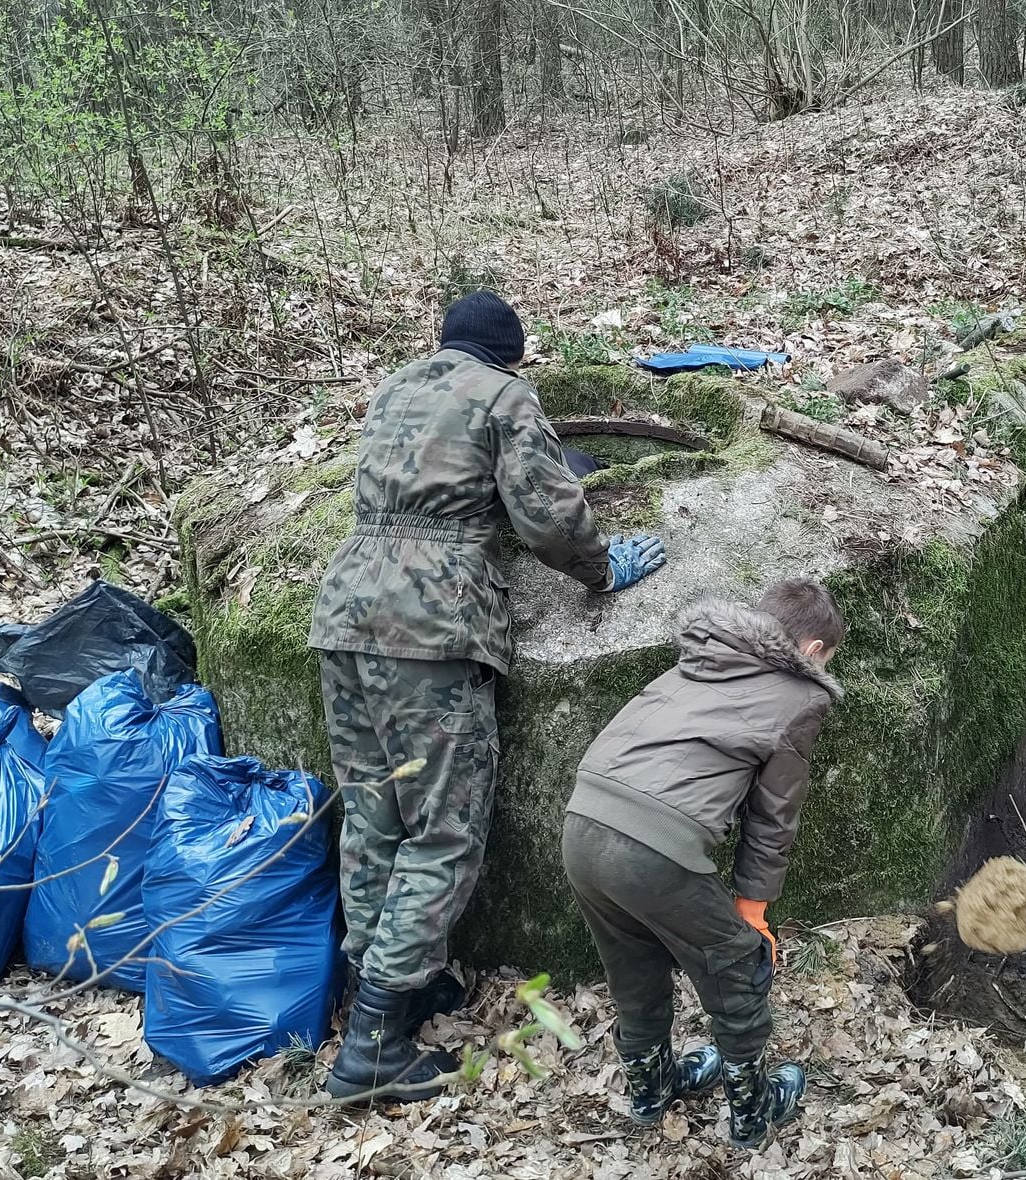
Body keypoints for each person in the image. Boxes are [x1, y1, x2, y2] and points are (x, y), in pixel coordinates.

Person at [308, 290, 668, 1102]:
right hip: (430, 628)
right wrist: (605, 569)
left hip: (344, 613)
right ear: (510, 352)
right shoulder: (506, 395)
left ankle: (392, 988)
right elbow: (547, 515)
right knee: (444, 832)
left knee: (373, 818)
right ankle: (372, 1047)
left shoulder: (398, 385)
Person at [560, 580, 845, 1148]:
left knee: (632, 962)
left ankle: (651, 1090)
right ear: (812, 651)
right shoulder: (800, 696)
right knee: (738, 963)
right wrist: (753, 910)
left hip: (582, 824)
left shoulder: (696, 658)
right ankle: (752, 1108)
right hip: (651, 846)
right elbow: (772, 817)